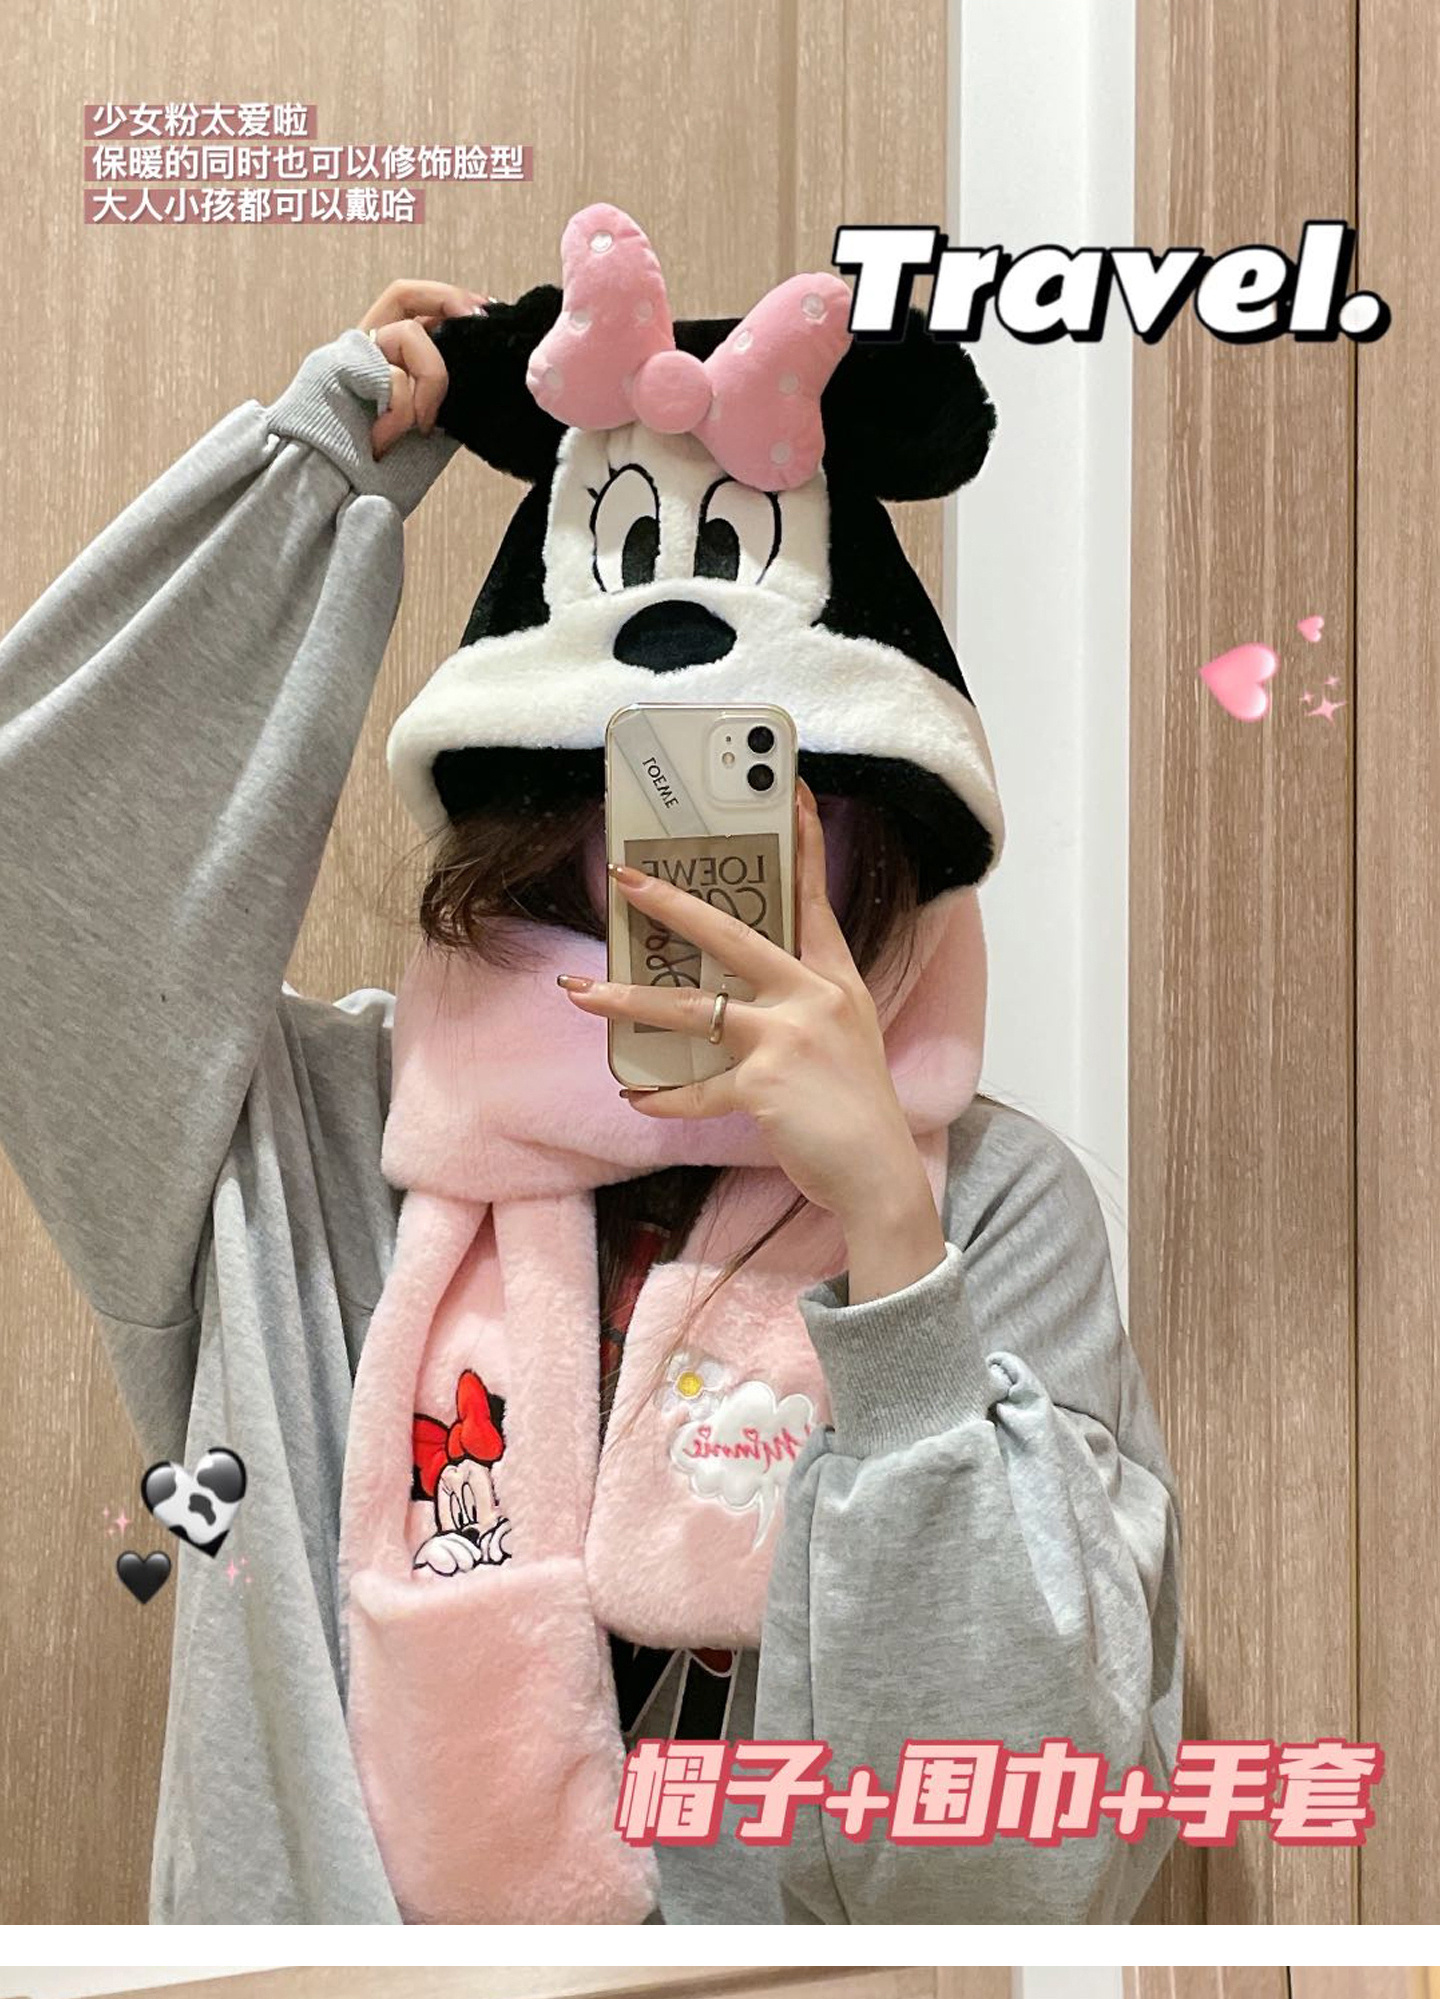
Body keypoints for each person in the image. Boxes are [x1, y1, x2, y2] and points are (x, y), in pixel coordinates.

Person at [0, 266, 1181, 1925]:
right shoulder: (305, 1140)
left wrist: (892, 1241)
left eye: (777, 776)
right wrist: (318, 476)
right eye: (620, 764)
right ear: (532, 790)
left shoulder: (984, 1206)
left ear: (888, 817)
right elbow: (34, 859)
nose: (674, 847)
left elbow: (1021, 1870)